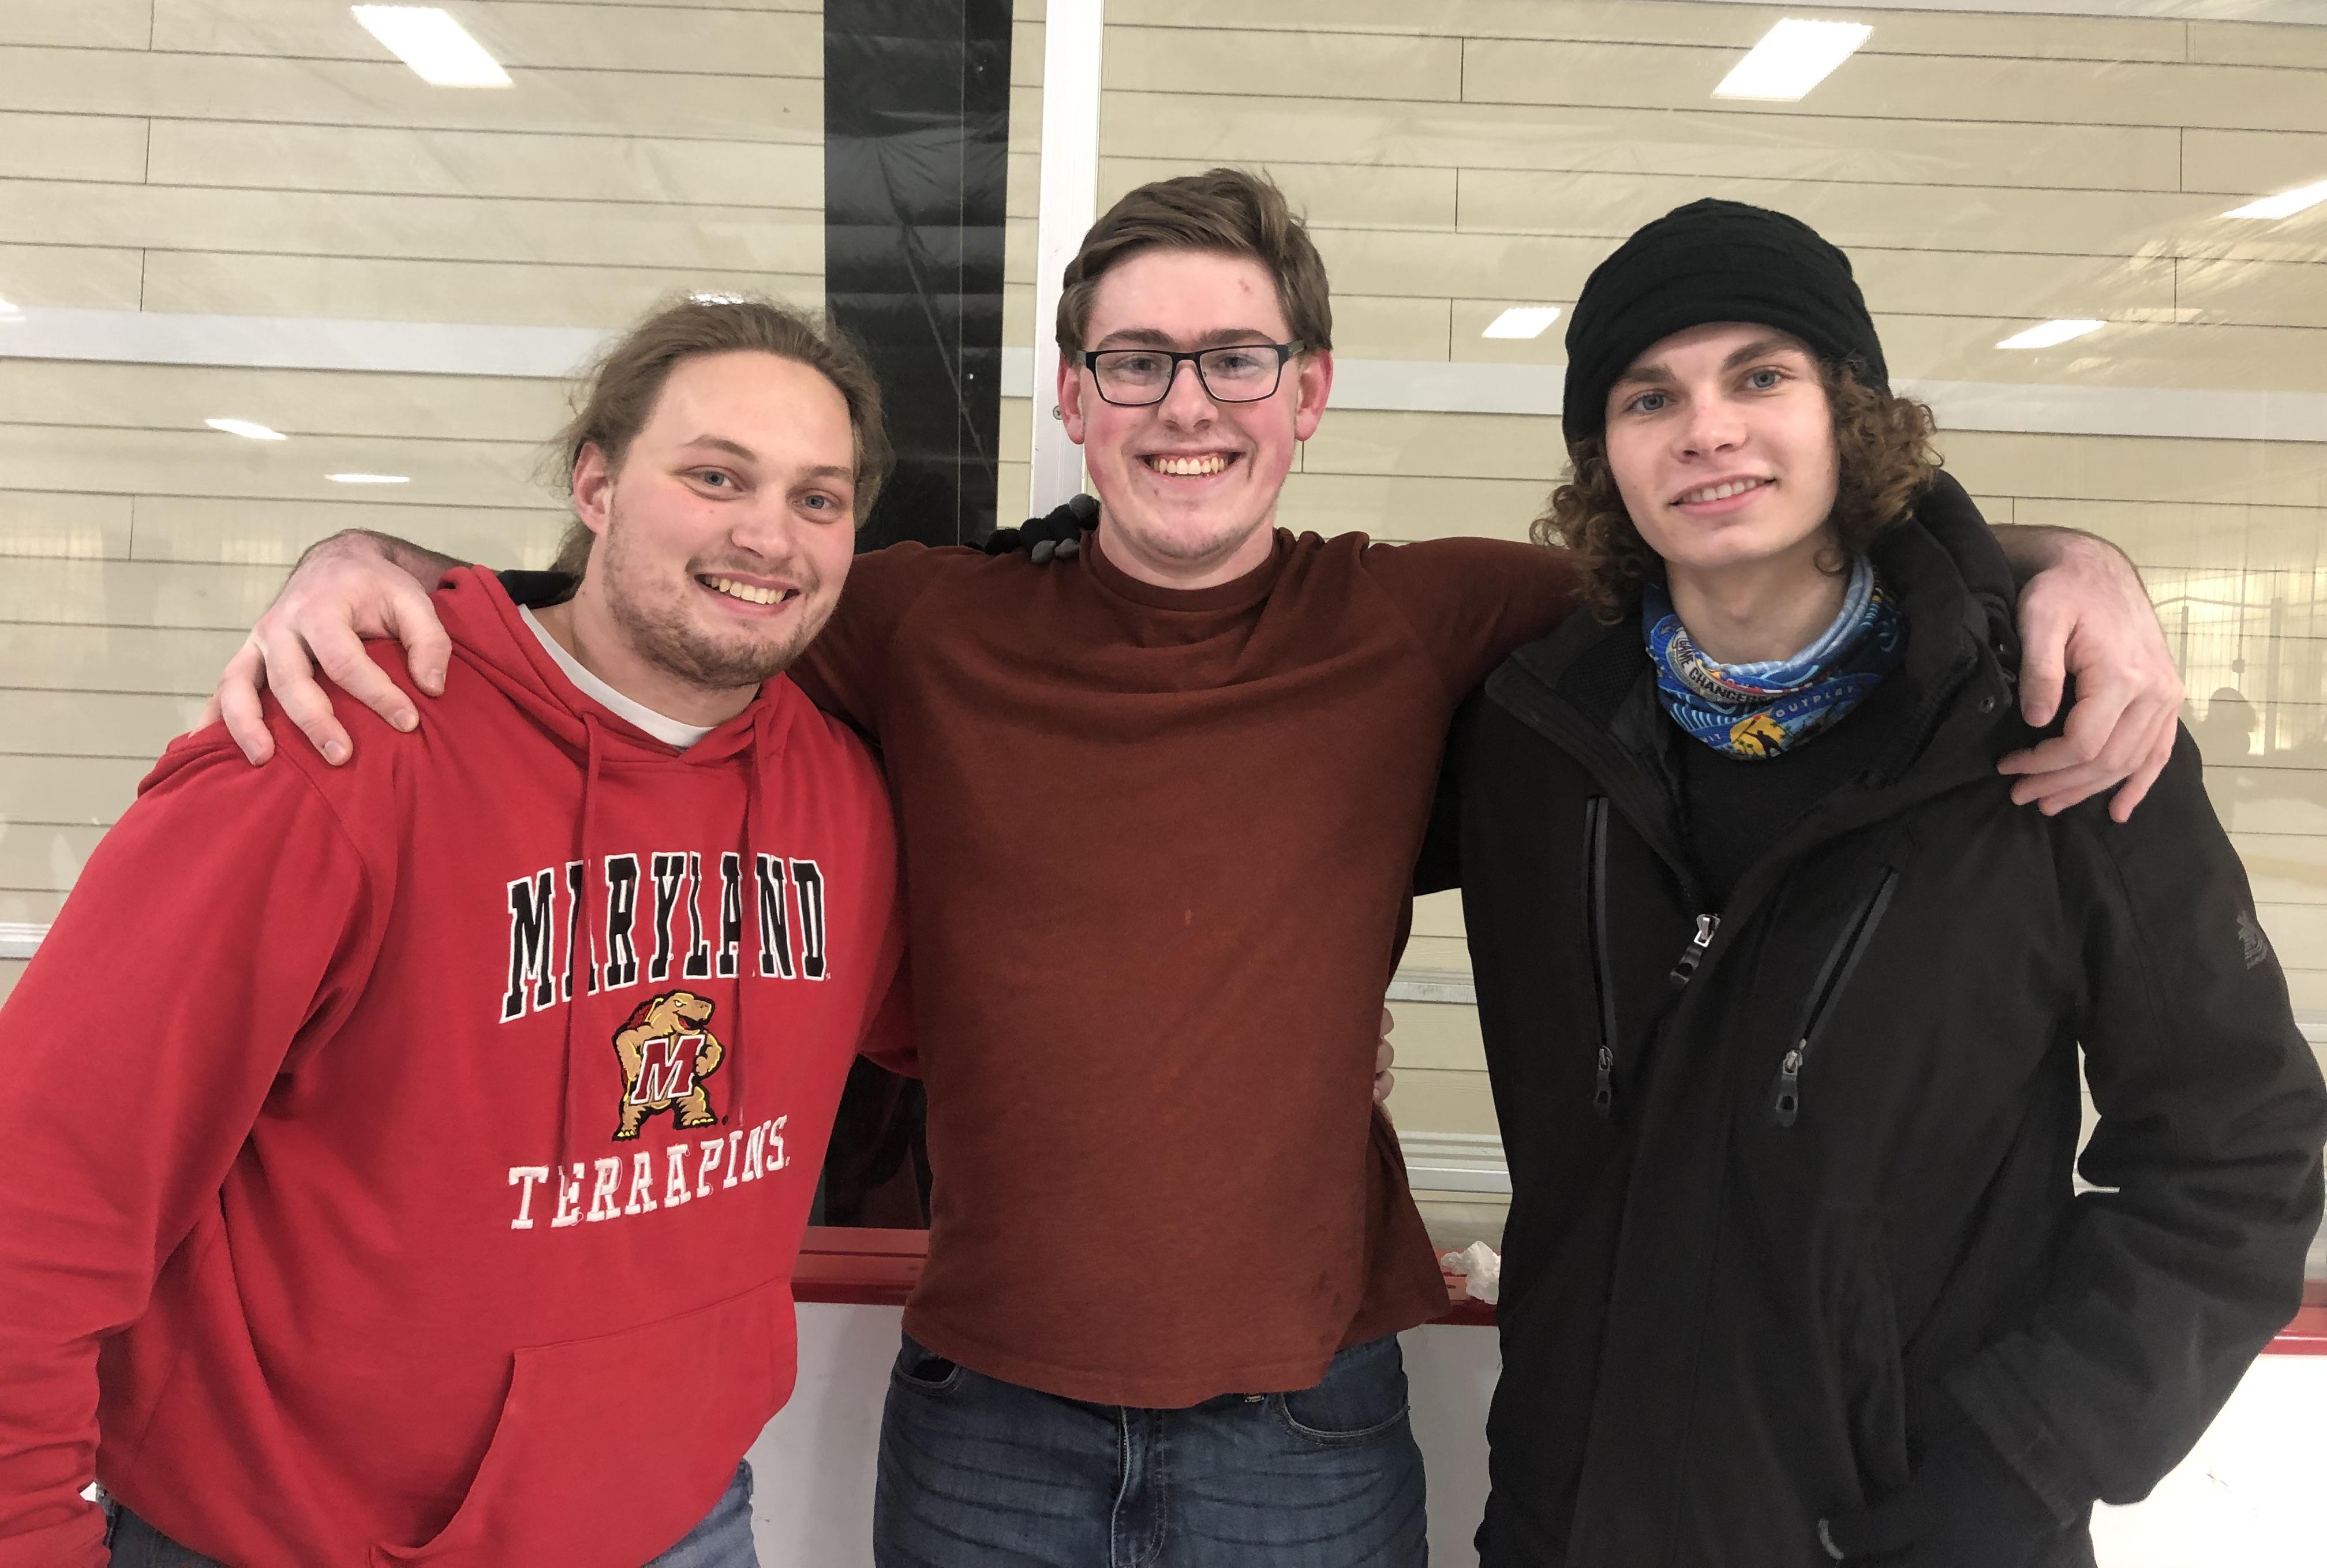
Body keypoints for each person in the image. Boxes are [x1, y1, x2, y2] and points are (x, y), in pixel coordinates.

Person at [198, 172, 2187, 1566]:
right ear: (1070, 398)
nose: (1187, 405)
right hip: (982, 1413)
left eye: (1237, 360)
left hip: (1301, 1430)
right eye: (1135, 361)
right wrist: (377, 566)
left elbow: (1748, 554)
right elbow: (660, 600)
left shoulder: (1442, 624)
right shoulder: (921, 622)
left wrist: (2050, 563)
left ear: (1308, 397)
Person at [1427, 200, 2327, 1567]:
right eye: (1649, 394)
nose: (1709, 429)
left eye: (1762, 376)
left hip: (1923, 1530)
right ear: (1604, 457)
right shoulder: (1537, 742)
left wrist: (2020, 1460)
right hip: (1576, 1520)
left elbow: (2239, 1148)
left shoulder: (2053, 731)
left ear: (1854, 416)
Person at [0, 297, 908, 1568]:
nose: (770, 534)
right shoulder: (331, 747)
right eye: (716, 476)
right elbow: (40, 1195)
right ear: (596, 482)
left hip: (682, 1526)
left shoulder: (844, 804)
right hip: (289, 1542)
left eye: (820, 497)